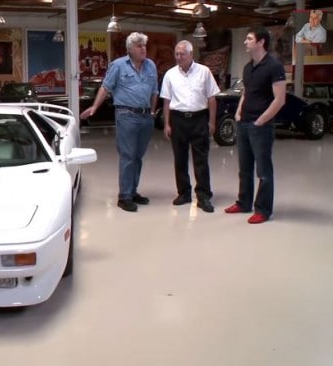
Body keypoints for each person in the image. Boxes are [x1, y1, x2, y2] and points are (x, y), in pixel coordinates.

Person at [80, 32, 159, 212]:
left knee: (138, 157)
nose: (143, 49)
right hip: (126, 115)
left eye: (144, 45)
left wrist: (153, 112)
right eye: (139, 46)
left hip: (146, 116)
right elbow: (106, 87)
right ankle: (124, 197)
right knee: (128, 156)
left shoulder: (151, 66)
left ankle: (133, 191)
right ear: (130, 49)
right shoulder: (118, 66)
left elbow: (155, 90)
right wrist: (94, 108)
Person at [225, 27, 286, 224]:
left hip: (261, 126)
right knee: (244, 168)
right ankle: (244, 202)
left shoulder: (274, 66)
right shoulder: (247, 67)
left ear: (261, 42)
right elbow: (246, 93)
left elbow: (280, 99)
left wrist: (262, 120)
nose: (245, 42)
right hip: (244, 123)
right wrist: (239, 111)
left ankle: (263, 210)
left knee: (263, 171)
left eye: (249, 39)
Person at [159, 40, 220, 213]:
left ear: (191, 54)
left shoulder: (204, 72)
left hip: (199, 118)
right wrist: (167, 124)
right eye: (176, 54)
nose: (178, 57)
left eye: (182, 54)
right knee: (180, 159)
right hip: (178, 119)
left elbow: (212, 98)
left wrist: (212, 122)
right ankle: (184, 193)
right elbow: (166, 100)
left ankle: (203, 196)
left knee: (201, 159)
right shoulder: (170, 74)